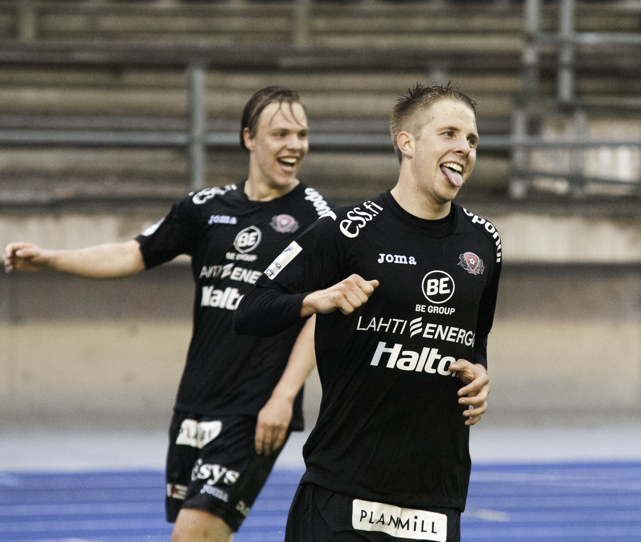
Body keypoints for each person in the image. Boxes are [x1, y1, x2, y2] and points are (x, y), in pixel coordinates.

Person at [3, 86, 333, 542]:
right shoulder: (204, 209)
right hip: (193, 405)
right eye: (281, 133)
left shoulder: (318, 220)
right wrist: (51, 258)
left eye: (302, 134)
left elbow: (323, 313)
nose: (295, 145)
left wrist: (285, 394)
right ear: (249, 139)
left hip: (254, 409)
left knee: (192, 534)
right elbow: (132, 253)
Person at [234, 83, 502, 542]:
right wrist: (314, 300)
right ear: (407, 143)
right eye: (450, 134)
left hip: (436, 498)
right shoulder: (345, 230)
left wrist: (479, 373)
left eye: (472, 139)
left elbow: (475, 338)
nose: (464, 147)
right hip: (342, 492)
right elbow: (250, 308)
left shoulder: (484, 242)